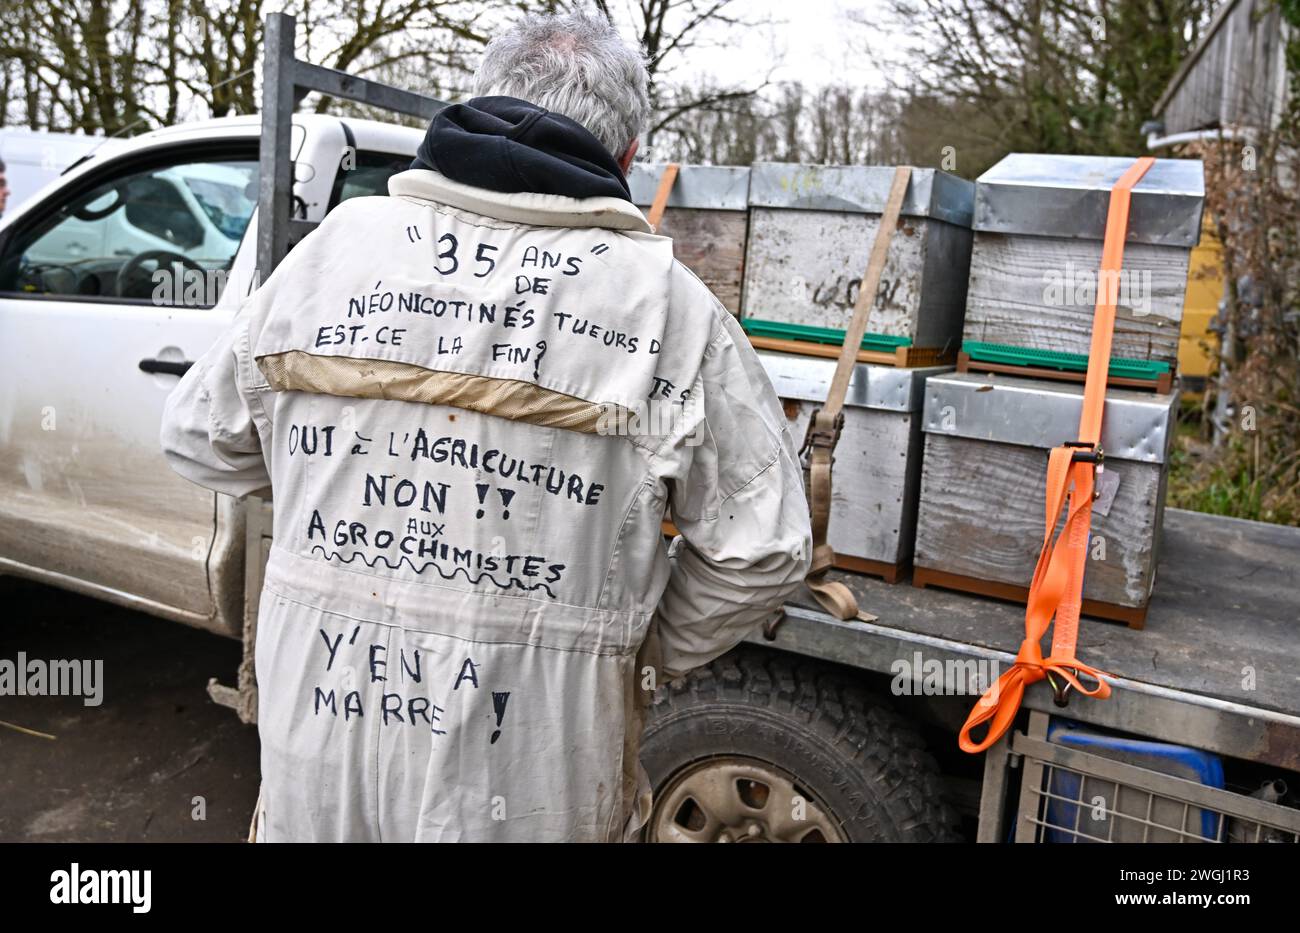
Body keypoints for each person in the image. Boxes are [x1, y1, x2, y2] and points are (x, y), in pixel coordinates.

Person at [160, 10, 811, 842]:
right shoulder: (668, 310)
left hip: (320, 756)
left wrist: (327, 462)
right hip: (533, 773)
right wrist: (634, 649)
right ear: (627, 158)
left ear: (478, 101)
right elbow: (763, 549)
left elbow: (198, 434)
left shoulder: (334, 253)